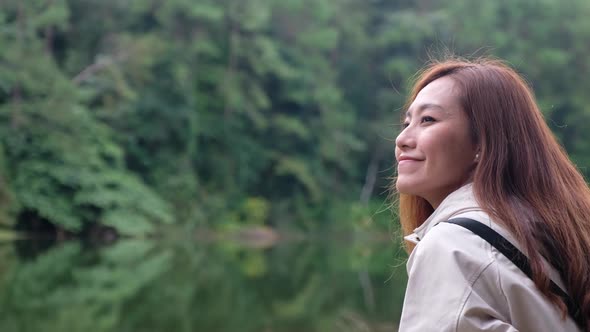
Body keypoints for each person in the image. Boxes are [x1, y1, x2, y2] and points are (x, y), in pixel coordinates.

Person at [393, 58, 590, 331]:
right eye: (406, 122)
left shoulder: (453, 246)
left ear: (482, 143)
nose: (402, 139)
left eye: (428, 120)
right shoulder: (552, 234)